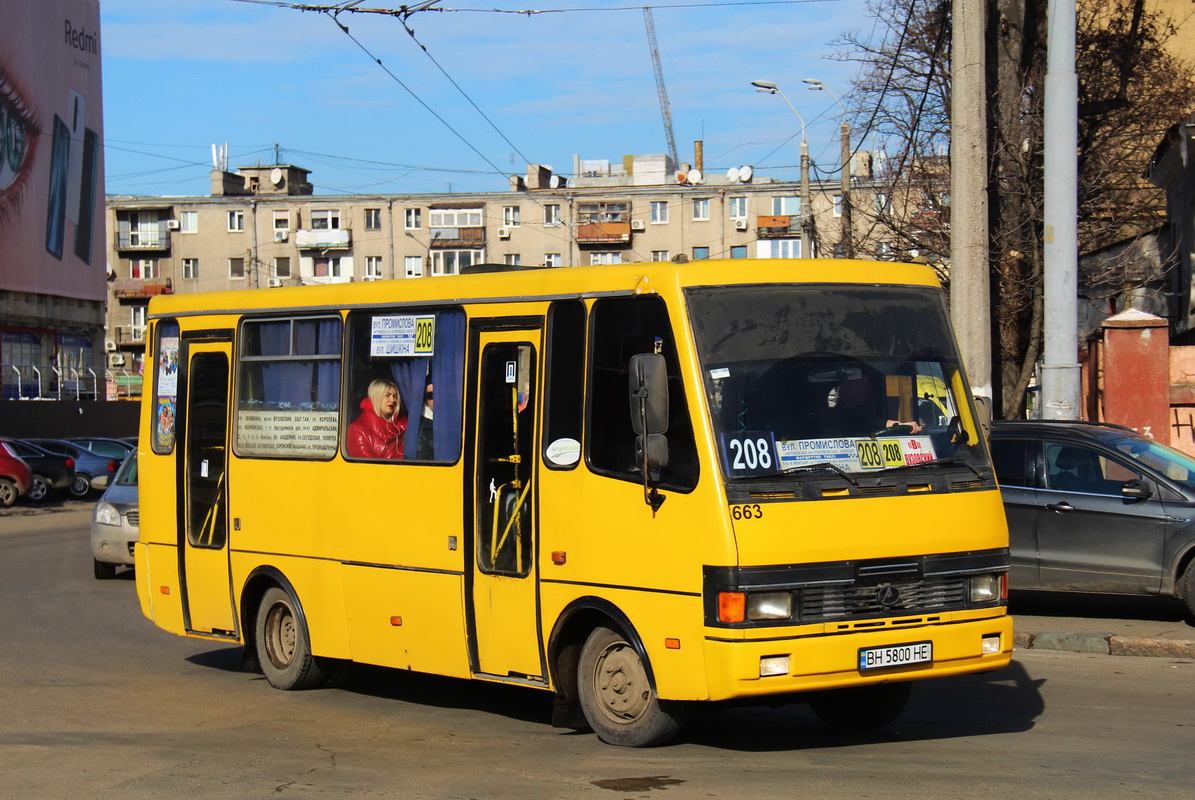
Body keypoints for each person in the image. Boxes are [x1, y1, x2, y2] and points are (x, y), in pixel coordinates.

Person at [825, 373, 921, 436]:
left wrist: (902, 425)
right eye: (862, 385)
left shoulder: (857, 413)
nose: (868, 390)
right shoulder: (838, 414)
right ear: (845, 386)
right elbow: (870, 423)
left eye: (868, 386)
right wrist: (900, 425)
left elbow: (875, 422)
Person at [346, 378, 407, 459]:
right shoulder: (357, 430)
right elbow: (369, 466)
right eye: (387, 395)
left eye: (395, 396)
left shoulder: (407, 425)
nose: (392, 400)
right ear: (376, 397)